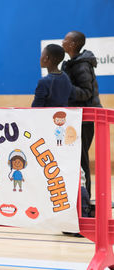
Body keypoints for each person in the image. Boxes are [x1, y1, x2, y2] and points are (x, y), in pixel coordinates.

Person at [62, 31, 102, 198]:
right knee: (75, 158)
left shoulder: (82, 66)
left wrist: (65, 88)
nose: (63, 41)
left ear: (72, 44)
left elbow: (86, 92)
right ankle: (76, 197)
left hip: (85, 119)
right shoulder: (69, 64)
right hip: (74, 117)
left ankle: (85, 199)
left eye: (66, 39)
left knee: (82, 159)